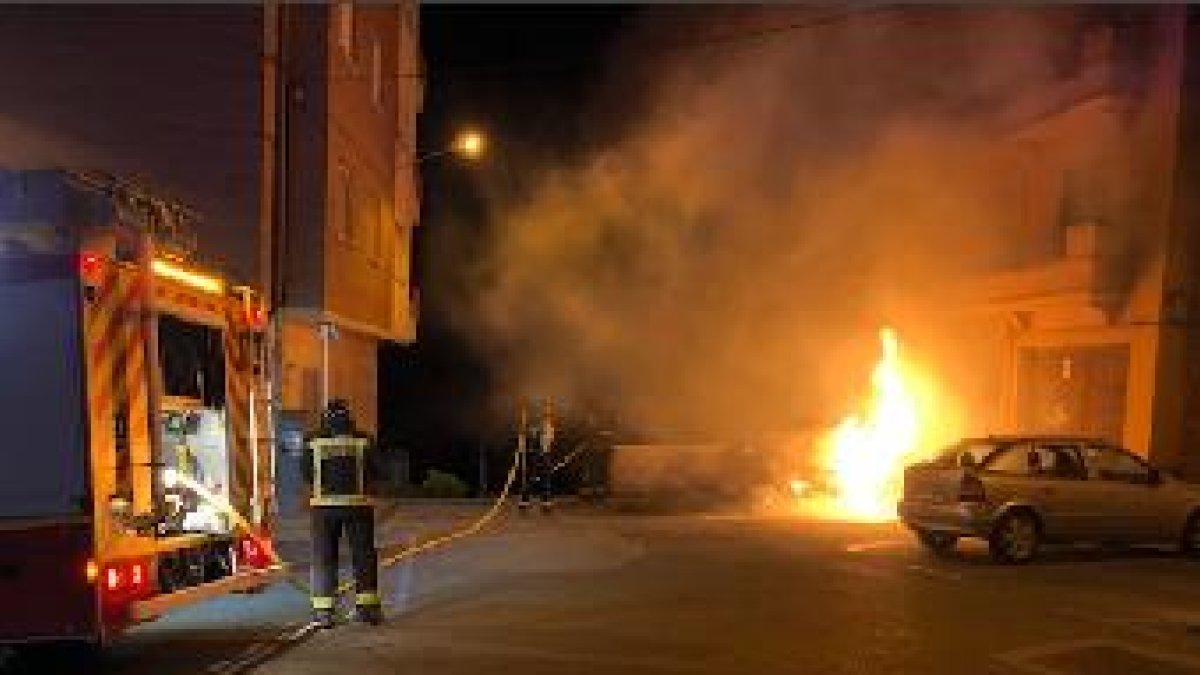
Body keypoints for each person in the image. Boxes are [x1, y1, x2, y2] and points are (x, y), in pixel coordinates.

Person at [302, 398, 383, 628]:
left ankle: (324, 613)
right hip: (359, 506)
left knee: (324, 558)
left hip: (324, 509)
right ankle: (367, 609)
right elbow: (374, 471)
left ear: (325, 418)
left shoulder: (312, 441)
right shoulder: (364, 440)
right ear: (349, 417)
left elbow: (307, 474)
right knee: (364, 556)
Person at [519, 399, 556, 513]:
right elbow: (523, 435)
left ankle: (546, 502)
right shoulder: (532, 423)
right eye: (547, 407)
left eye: (549, 408)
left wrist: (547, 441)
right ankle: (525, 501)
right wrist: (522, 448)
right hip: (533, 453)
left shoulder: (548, 423)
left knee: (546, 477)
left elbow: (550, 438)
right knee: (531, 477)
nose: (548, 410)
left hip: (544, 453)